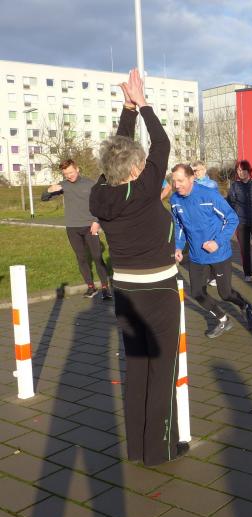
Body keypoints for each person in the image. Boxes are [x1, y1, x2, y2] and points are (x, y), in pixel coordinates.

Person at [89, 68, 186, 466]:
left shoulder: (99, 195)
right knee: (162, 371)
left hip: (127, 293)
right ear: (134, 171)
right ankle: (160, 449)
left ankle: (137, 447)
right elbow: (162, 142)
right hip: (159, 291)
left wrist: (127, 110)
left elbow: (116, 156)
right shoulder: (145, 189)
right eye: (142, 164)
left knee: (138, 368)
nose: (147, 166)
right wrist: (142, 104)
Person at [171, 163, 252, 337]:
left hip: (219, 254)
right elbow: (179, 225)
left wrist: (217, 242)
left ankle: (245, 305)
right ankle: (223, 320)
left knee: (225, 294)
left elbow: (232, 219)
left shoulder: (209, 195)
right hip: (196, 256)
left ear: (191, 178)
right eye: (174, 181)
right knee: (197, 293)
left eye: (180, 181)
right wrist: (178, 246)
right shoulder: (175, 200)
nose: (176, 185)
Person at [42, 159, 111, 300]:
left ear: (77, 169)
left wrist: (96, 221)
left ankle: (105, 288)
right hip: (72, 228)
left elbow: (101, 203)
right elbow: (44, 198)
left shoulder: (90, 184)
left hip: (90, 227)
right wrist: (49, 190)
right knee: (81, 259)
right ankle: (91, 287)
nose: (69, 176)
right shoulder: (63, 185)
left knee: (97, 257)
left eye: (71, 172)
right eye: (66, 174)